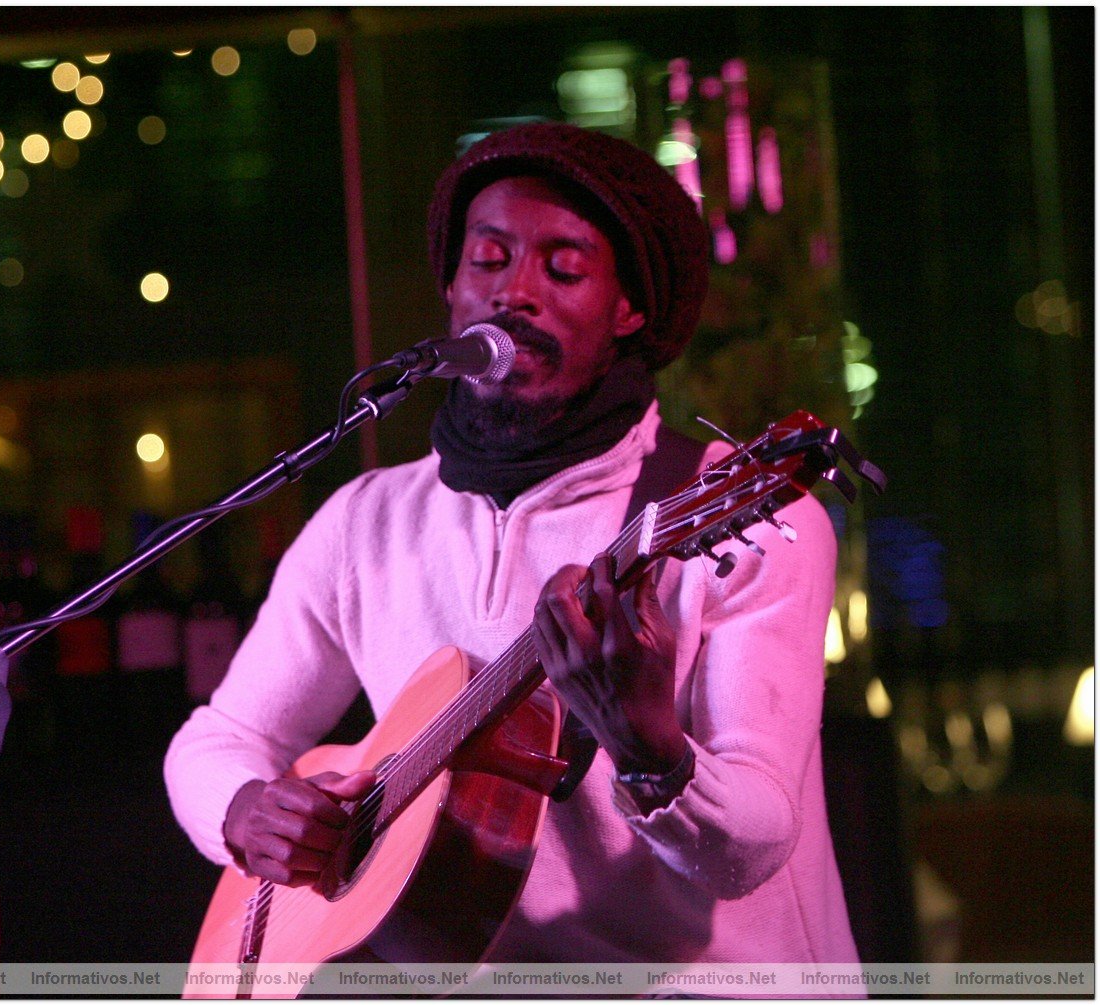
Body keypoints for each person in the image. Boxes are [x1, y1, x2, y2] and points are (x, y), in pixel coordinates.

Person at [164, 122, 859, 964]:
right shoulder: (365, 521)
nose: (514, 292)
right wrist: (244, 811)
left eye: (563, 267)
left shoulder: (721, 514)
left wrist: (650, 750)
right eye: (488, 261)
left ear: (628, 309)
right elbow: (217, 739)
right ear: (452, 291)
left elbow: (749, 845)